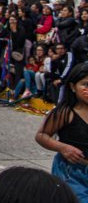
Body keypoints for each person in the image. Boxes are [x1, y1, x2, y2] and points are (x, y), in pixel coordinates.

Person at [36, 62, 88, 200]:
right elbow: (41, 135)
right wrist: (62, 147)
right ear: (72, 87)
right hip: (71, 173)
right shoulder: (64, 113)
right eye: (85, 85)